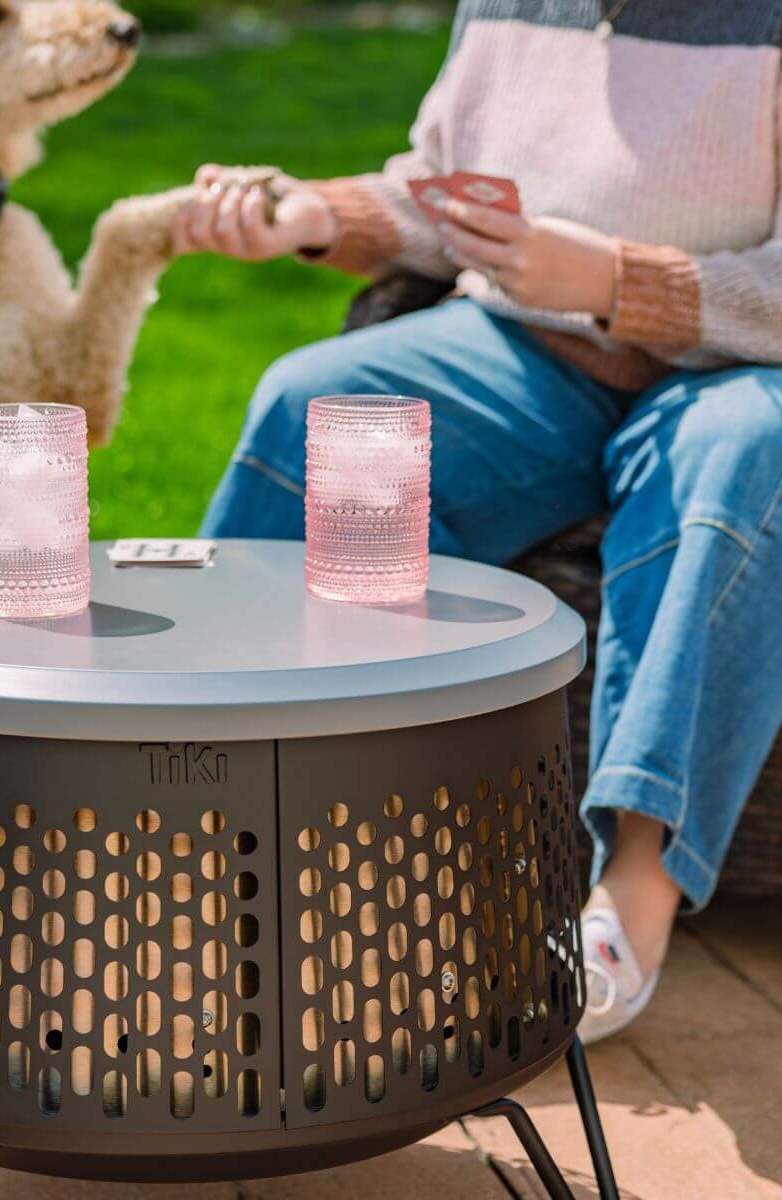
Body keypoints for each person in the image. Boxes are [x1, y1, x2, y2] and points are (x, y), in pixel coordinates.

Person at [176, 0, 782, 1042]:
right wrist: (311, 217)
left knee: (734, 461)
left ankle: (631, 896)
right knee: (312, 405)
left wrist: (616, 281)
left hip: (743, 366)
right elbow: (438, 188)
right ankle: (227, 824)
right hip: (528, 349)